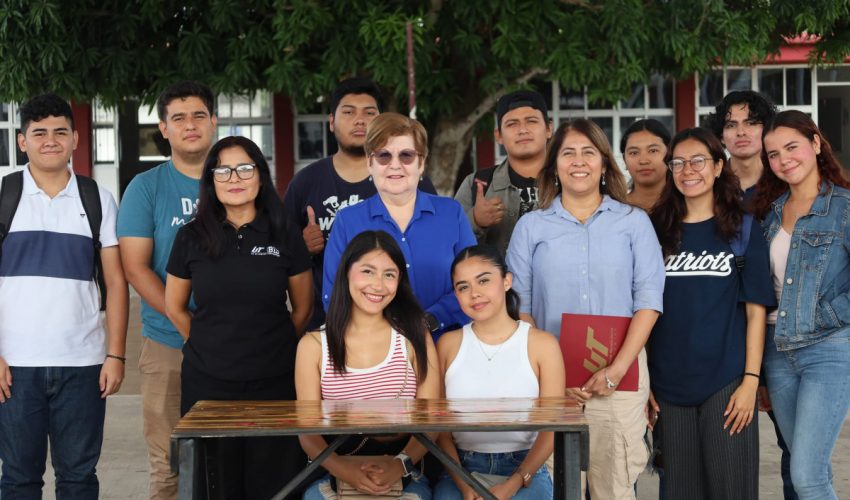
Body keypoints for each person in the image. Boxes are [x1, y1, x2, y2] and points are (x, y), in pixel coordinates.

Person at [506, 118, 665, 499]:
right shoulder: (531, 227)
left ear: (605, 164)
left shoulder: (634, 223)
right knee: (557, 487)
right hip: (551, 382)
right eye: (568, 153)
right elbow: (521, 310)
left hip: (619, 379)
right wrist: (550, 377)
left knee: (614, 487)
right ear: (555, 166)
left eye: (588, 152)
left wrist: (617, 369)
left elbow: (648, 302)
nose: (579, 161)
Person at [164, 136, 312, 498]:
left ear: (260, 176)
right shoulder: (191, 237)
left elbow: (303, 307)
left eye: (245, 168)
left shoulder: (284, 233)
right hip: (208, 384)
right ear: (211, 181)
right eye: (224, 170)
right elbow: (174, 306)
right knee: (214, 482)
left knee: (275, 482)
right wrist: (205, 344)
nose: (235, 177)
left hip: (275, 381)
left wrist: (270, 345)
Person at [0, 93, 128, 498]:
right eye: (39, 133)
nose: (50, 140)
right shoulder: (4, 196)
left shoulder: (97, 199)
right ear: (22, 141)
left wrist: (116, 354)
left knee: (78, 479)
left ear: (75, 138)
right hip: (14, 368)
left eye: (60, 131)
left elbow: (117, 282)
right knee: (19, 479)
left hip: (83, 365)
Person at [648, 128, 775, 499]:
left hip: (726, 382)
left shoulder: (744, 227)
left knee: (730, 490)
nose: (688, 170)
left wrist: (751, 381)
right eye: (678, 163)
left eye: (698, 160)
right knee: (679, 492)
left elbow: (755, 313)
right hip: (668, 384)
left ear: (719, 166)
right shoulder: (656, 230)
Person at [117, 80, 217, 500]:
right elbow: (136, 268)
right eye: (179, 118)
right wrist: (184, 320)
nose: (189, 125)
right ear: (163, 128)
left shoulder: (238, 179)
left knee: (229, 459)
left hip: (233, 343)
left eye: (198, 115)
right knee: (168, 466)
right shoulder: (146, 187)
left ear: (213, 122)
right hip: (166, 343)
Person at [295, 230, 439, 499]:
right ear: (347, 272)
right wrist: (345, 471)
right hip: (335, 471)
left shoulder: (415, 336)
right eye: (368, 271)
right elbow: (307, 434)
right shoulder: (313, 346)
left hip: (405, 473)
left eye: (389, 274)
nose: (378, 285)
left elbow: (431, 422)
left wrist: (400, 465)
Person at [283, 78, 436, 330]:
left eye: (369, 113)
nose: (360, 120)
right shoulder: (305, 182)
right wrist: (301, 248)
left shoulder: (409, 181)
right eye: (348, 112)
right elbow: (277, 253)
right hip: (331, 322)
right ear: (331, 122)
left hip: (410, 319)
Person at [752, 110, 850, 500]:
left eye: (791, 147)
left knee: (807, 476)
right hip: (777, 354)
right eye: (773, 154)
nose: (783, 160)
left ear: (815, 143)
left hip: (828, 350)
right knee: (806, 467)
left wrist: (824, 316)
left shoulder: (844, 208)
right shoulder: (769, 215)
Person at [323, 112, 476, 340]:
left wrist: (430, 320)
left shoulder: (451, 213)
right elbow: (334, 294)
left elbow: (473, 283)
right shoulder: (348, 221)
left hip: (446, 347)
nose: (395, 165)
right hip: (374, 352)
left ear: (421, 163)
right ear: (369, 163)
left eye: (406, 156)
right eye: (384, 156)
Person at [434, 244, 565, 499]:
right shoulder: (448, 345)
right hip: (462, 468)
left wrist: (515, 482)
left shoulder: (542, 344)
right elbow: (439, 427)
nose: (474, 294)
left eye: (484, 281)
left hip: (525, 469)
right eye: (463, 287)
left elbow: (552, 430)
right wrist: (463, 483)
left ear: (506, 281)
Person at [454, 90, 552, 255]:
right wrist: (475, 220)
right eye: (512, 124)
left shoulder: (570, 181)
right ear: (498, 135)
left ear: (549, 129)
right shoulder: (477, 184)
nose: (523, 130)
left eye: (531, 121)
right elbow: (448, 245)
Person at [707, 90, 778, 203]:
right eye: (731, 125)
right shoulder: (709, 183)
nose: (741, 132)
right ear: (721, 136)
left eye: (750, 123)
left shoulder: (782, 180)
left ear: (766, 130)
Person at [621, 119, 670, 212]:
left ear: (670, 155)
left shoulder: (688, 206)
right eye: (634, 153)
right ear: (624, 160)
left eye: (653, 151)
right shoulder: (614, 210)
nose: (643, 161)